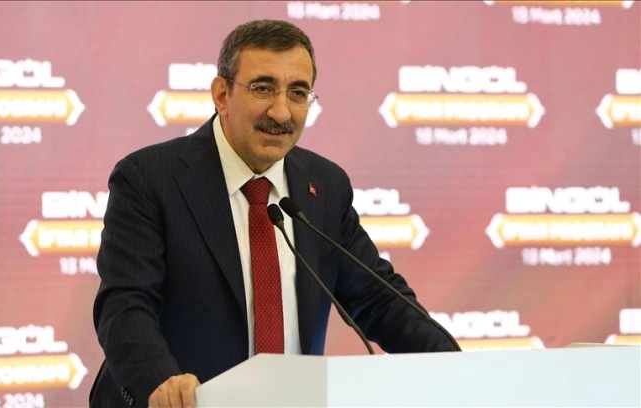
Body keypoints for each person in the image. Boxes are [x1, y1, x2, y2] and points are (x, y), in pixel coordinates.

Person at [90, 19, 460, 408]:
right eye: (263, 88)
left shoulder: (325, 185)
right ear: (221, 94)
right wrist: (162, 381)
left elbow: (379, 300)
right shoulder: (150, 178)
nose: (281, 112)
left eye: (297, 93)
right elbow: (125, 304)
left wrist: (458, 368)